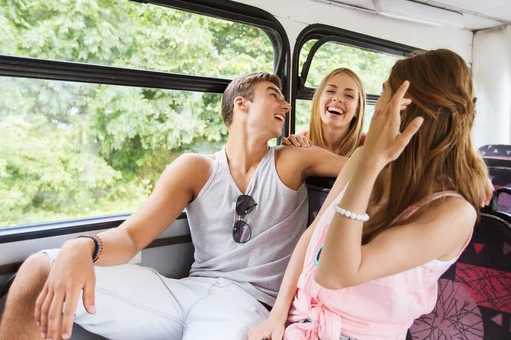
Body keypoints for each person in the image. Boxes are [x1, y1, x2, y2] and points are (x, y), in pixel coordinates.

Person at [0, 73, 348, 340]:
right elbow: (132, 237)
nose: (286, 106)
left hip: (248, 304)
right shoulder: (195, 168)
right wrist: (82, 246)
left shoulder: (293, 159)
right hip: (186, 292)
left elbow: (363, 169)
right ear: (241, 104)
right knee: (41, 267)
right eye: (275, 97)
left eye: (286, 101)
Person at [248, 49, 493, 340]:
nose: (377, 110)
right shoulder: (360, 158)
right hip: (298, 318)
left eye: (384, 97)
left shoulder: (452, 212)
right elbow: (312, 237)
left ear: (408, 110)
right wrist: (277, 316)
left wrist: (371, 164)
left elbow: (334, 274)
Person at [283, 68, 366, 156]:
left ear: (357, 110)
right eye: (330, 91)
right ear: (318, 99)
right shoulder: (300, 143)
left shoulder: (369, 146)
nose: (337, 98)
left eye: (349, 96)